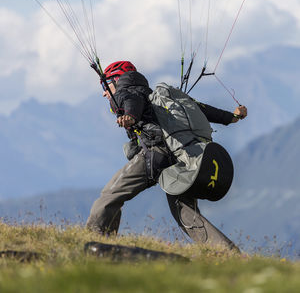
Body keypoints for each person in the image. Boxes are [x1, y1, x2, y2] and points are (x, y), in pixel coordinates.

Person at [86, 60, 247, 251]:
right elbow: (200, 108)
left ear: (117, 79)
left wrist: (130, 116)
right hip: (178, 158)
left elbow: (131, 103)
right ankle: (227, 253)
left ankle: (94, 245)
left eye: (105, 85)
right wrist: (232, 117)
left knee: (110, 195)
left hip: (155, 155)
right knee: (184, 211)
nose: (104, 92)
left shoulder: (124, 91)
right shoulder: (154, 95)